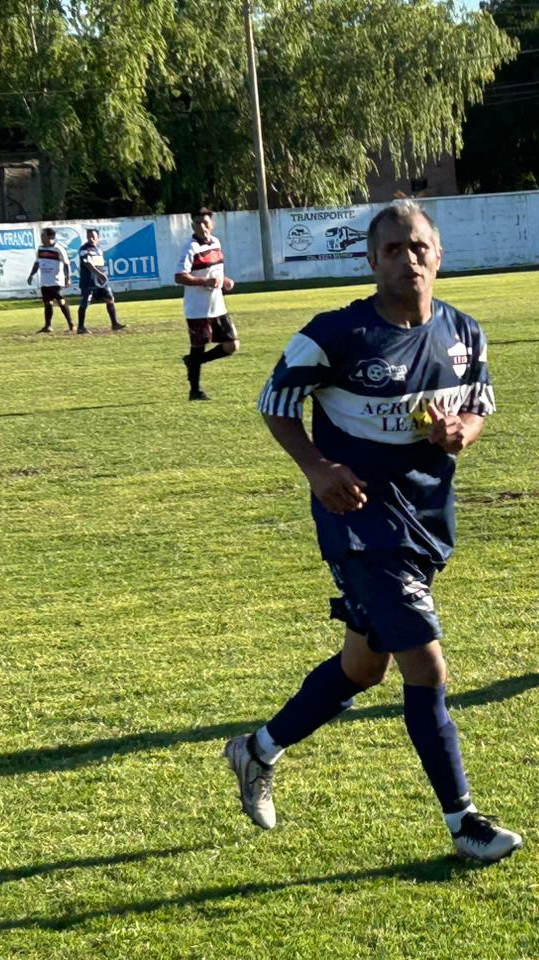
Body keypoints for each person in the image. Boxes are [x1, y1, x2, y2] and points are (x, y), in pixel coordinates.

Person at [223, 199, 523, 864]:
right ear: (371, 261)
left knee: (363, 667)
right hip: (359, 523)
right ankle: (464, 823)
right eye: (392, 250)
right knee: (426, 664)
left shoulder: (464, 332)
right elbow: (275, 402)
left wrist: (461, 432)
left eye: (418, 247)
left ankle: (256, 751)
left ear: (438, 255)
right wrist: (317, 467)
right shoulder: (334, 335)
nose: (408, 260)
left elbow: (479, 404)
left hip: (426, 519)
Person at [174, 208, 238, 401]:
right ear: (192, 225)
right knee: (198, 346)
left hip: (218, 306)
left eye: (206, 222)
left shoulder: (216, 242)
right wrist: (204, 282)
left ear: (212, 224)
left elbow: (215, 271)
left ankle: (193, 361)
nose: (202, 226)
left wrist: (225, 280)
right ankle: (195, 391)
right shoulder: (190, 248)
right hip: (198, 309)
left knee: (232, 345)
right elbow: (179, 276)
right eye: (198, 223)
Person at [76, 228, 126, 333]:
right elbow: (87, 263)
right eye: (89, 236)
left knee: (110, 298)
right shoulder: (84, 249)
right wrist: (99, 273)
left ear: (98, 237)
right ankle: (80, 327)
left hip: (100, 282)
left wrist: (102, 273)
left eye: (93, 236)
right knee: (85, 302)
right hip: (88, 281)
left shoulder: (98, 249)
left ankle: (114, 324)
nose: (91, 238)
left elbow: (99, 264)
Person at [27, 227, 74, 333]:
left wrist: (68, 278)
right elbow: (37, 263)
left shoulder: (58, 249)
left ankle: (71, 324)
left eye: (43, 235)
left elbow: (66, 264)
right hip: (45, 281)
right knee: (48, 303)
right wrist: (31, 275)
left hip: (57, 281)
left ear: (50, 237)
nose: (41, 238)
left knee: (61, 301)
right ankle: (47, 326)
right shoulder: (40, 249)